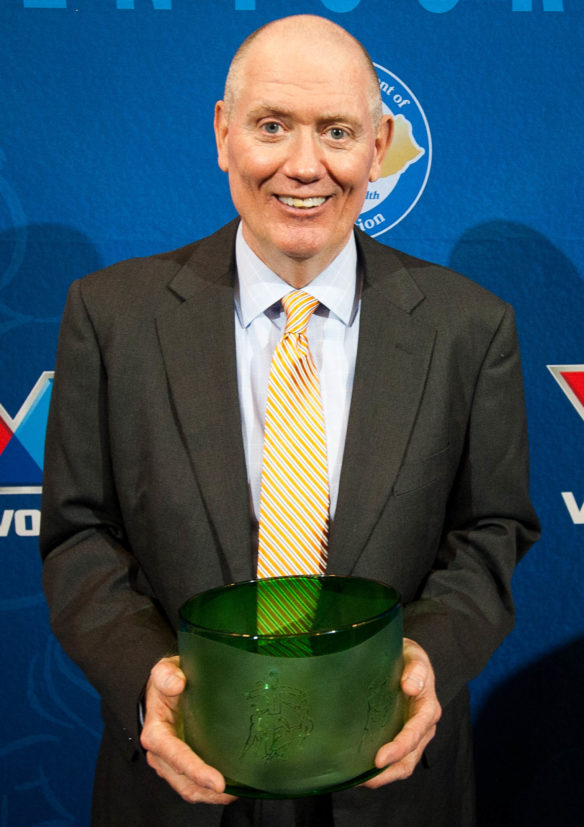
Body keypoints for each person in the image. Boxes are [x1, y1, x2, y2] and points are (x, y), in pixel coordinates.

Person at [40, 14, 540, 827]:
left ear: (379, 146)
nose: (303, 166)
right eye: (273, 126)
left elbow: (491, 530)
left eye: (336, 132)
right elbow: (77, 535)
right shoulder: (111, 315)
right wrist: (146, 680)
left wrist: (422, 663)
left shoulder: (469, 328)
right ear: (223, 132)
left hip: (394, 787)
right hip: (176, 785)